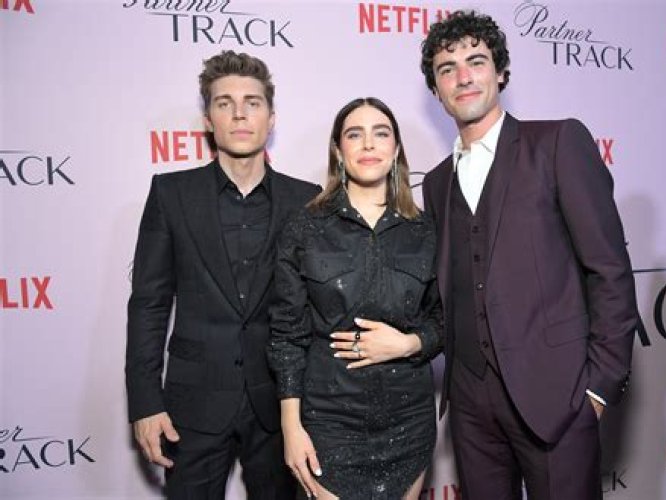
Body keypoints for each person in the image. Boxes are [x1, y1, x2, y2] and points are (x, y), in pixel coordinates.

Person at [419, 11, 638, 500]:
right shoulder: (436, 183)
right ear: (436, 90)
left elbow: (609, 271)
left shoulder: (557, 143)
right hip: (471, 405)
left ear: (500, 72)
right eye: (447, 69)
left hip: (557, 396)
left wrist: (598, 387)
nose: (463, 77)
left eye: (476, 62)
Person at [125, 50, 320, 499]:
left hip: (280, 407)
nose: (239, 114)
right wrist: (145, 402)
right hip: (191, 406)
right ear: (208, 120)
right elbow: (149, 304)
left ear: (271, 118)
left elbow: (317, 308)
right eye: (224, 103)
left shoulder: (306, 200)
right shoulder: (171, 194)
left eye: (252, 102)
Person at [268, 97, 443, 499]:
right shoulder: (305, 227)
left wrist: (409, 344)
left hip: (408, 422)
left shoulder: (425, 230)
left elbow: (446, 319)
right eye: (354, 134)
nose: (368, 144)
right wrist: (291, 426)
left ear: (395, 150)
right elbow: (286, 335)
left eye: (381, 134)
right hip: (329, 422)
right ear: (337, 150)